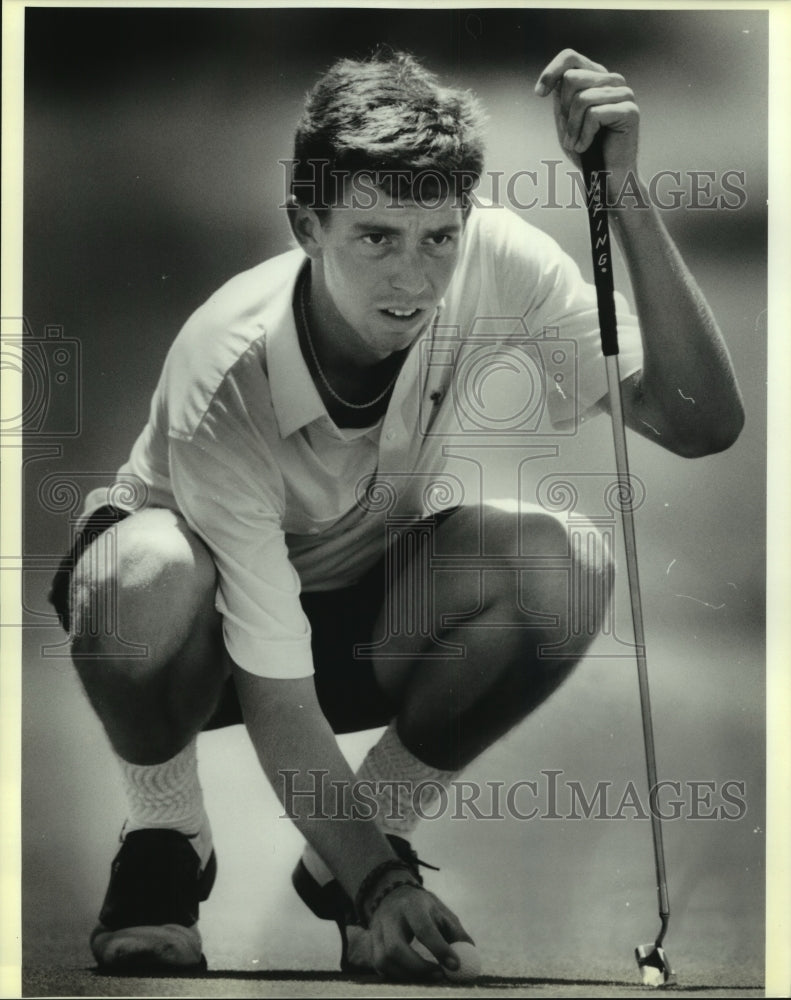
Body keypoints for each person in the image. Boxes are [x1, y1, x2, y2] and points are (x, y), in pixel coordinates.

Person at [50, 47, 744, 980]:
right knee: (146, 574)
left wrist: (622, 190)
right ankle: (165, 835)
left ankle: (365, 837)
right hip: (187, 636)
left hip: (353, 604)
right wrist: (382, 886)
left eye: (438, 239)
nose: (413, 280)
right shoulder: (227, 368)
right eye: (375, 237)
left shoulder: (497, 256)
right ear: (307, 223)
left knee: (565, 564)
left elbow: (698, 422)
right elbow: (273, 688)